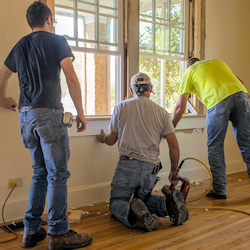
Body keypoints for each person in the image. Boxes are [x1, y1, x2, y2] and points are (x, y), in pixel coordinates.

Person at [0, 2, 92, 249]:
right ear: (49, 19)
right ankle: (59, 232)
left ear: (31, 22)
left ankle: (30, 231)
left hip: (26, 116)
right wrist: (81, 112)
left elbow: (2, 74)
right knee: (58, 174)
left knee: (39, 172)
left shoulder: (20, 45)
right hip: (49, 115)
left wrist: (1, 98)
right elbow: (71, 77)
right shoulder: (57, 41)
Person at [97, 72, 189, 231]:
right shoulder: (161, 112)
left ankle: (134, 213)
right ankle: (167, 205)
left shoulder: (121, 107)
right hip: (150, 169)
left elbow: (111, 140)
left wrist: (102, 138)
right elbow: (174, 145)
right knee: (144, 199)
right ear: (151, 89)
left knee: (117, 202)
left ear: (132, 90)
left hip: (128, 166)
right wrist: (174, 170)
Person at [172, 58, 250, 200]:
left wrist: (169, 129)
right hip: (242, 97)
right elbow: (242, 83)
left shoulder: (189, 72)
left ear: (190, 65)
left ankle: (220, 190)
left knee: (215, 147)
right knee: (247, 144)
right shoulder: (218, 62)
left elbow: (180, 107)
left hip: (218, 101)